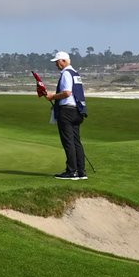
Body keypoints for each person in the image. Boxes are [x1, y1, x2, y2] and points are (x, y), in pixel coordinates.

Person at [45, 51, 87, 180]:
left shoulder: (66, 74)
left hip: (67, 112)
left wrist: (53, 96)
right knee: (76, 142)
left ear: (62, 61)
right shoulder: (76, 73)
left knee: (68, 142)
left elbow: (67, 92)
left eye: (57, 62)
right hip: (77, 110)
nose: (56, 65)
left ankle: (71, 171)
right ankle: (81, 172)